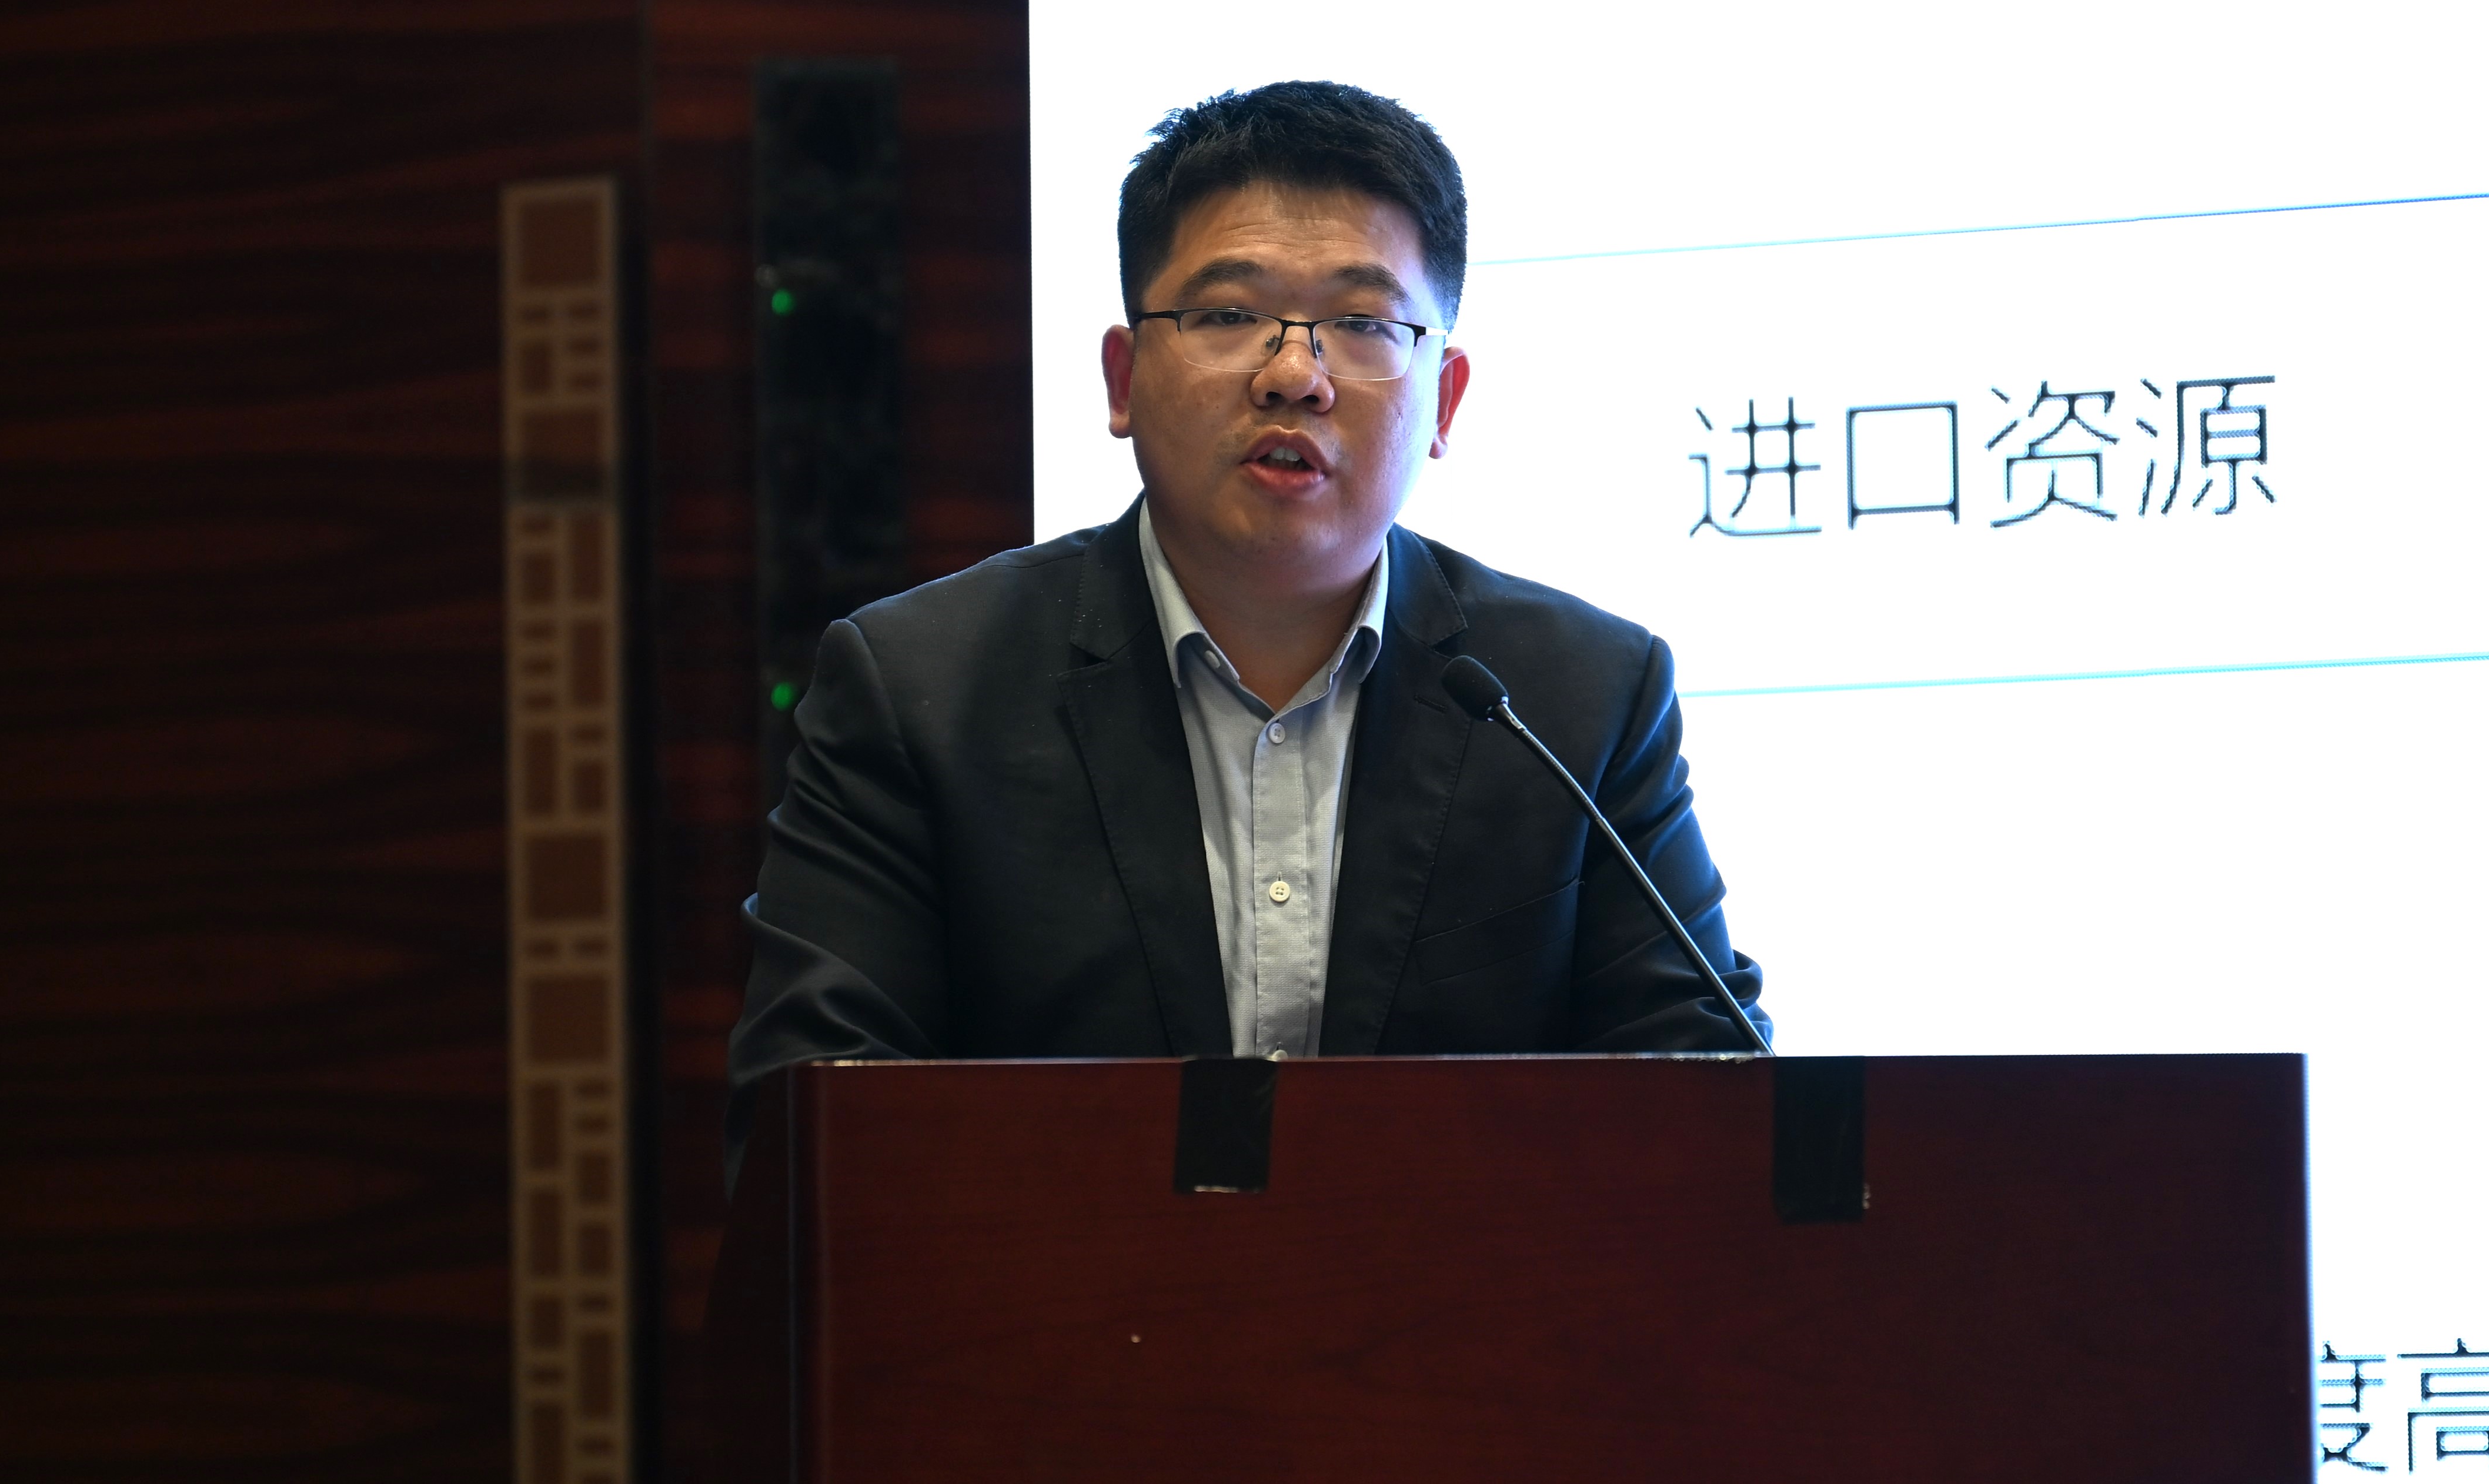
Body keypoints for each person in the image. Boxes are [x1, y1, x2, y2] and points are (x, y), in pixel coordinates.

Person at [728, 81, 1767, 1175]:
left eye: (1362, 323)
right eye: (1227, 315)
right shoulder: (919, 691)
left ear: (1445, 400)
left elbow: (1711, 1115)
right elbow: (810, 1139)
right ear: (1123, 378)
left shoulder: (1580, 697)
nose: (1293, 376)